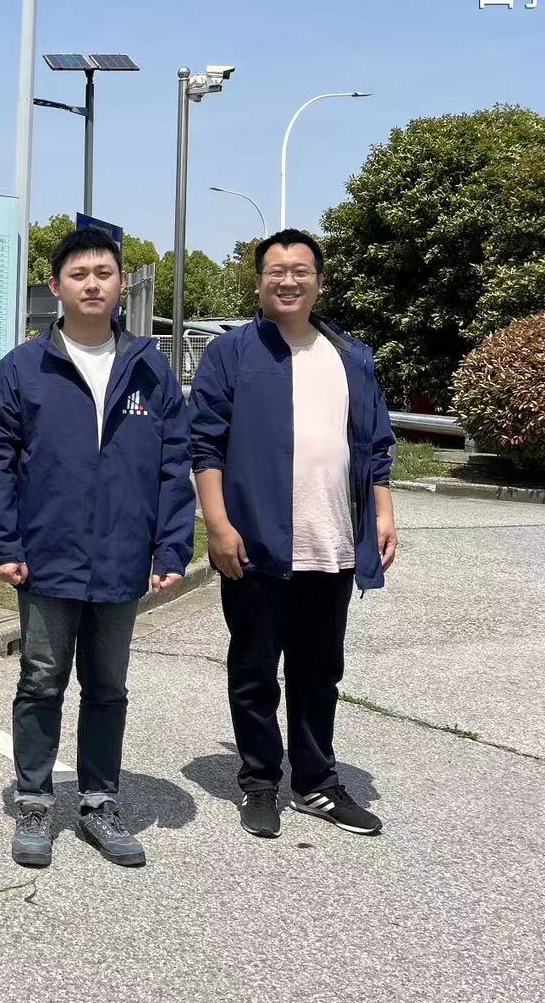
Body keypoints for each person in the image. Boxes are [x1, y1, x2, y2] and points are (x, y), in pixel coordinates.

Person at [0, 227, 194, 869]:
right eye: (79, 274)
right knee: (41, 680)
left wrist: (172, 547)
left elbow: (173, 462)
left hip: (122, 556)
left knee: (107, 686)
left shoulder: (150, 368)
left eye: (104, 272)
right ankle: (35, 802)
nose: (92, 284)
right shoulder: (22, 369)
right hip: (47, 555)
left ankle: (100, 802)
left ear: (121, 283)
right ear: (56, 287)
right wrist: (4, 541)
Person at [188, 228, 397, 839]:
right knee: (254, 670)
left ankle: (315, 783)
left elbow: (374, 444)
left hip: (333, 544)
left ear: (319, 282)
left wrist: (383, 513)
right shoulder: (232, 354)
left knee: (319, 671)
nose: (288, 280)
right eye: (275, 271)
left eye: (300, 270)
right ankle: (259, 780)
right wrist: (218, 526)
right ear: (258, 283)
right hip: (255, 544)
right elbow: (204, 445)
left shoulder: (351, 355)